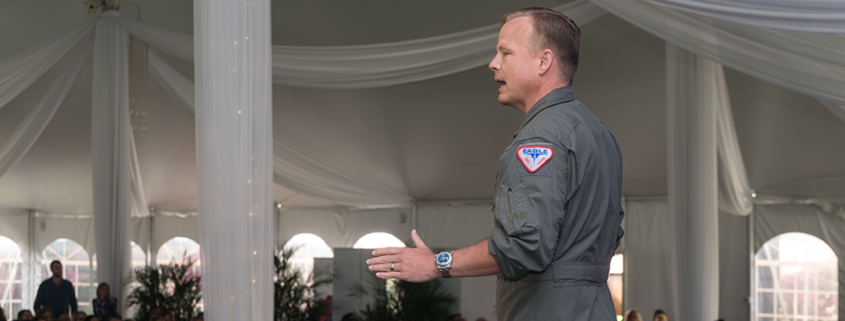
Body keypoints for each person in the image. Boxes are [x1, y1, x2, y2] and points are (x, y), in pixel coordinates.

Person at [367, 6, 623, 321]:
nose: (493, 63)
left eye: (505, 53)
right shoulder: (599, 134)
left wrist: (437, 264)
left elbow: (524, 246)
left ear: (543, 62)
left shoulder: (541, 137)